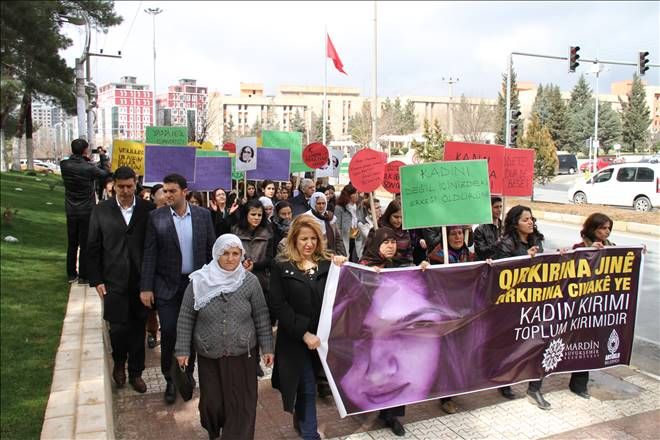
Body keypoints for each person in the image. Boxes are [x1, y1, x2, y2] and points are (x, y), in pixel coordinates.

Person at [331, 227, 429, 436]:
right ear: (375, 244)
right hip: (368, 335)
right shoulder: (362, 266)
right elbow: (349, 296)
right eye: (385, 242)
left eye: (393, 242)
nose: (391, 246)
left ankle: (392, 416)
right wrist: (344, 267)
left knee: (394, 379)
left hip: (394, 332)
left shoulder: (400, 265)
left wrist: (422, 267)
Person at [175, 234, 274, 439]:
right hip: (209, 353)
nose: (230, 258)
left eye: (235, 254)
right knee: (213, 402)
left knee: (241, 403)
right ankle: (215, 428)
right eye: (225, 253)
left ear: (241, 255)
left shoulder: (250, 281)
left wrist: (267, 347)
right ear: (216, 254)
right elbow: (186, 315)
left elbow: (262, 315)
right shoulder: (199, 281)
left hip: (242, 353)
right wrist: (183, 349)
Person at [140, 173, 216, 404]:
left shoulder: (203, 216)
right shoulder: (156, 217)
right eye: (165, 191)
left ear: (185, 192)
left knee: (192, 333)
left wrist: (216, 281)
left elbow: (212, 251)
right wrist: (146, 287)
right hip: (167, 287)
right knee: (171, 332)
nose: (167, 195)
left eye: (172, 191)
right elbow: (150, 253)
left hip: (196, 285)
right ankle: (170, 379)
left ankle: (186, 373)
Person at [269, 216, 347, 440]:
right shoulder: (281, 265)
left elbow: (350, 287)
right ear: (294, 239)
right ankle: (310, 435)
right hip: (296, 340)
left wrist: (341, 266)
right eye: (304, 238)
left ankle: (301, 421)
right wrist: (303, 333)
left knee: (307, 388)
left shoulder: (327, 263)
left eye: (314, 238)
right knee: (307, 388)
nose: (309, 243)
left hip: (322, 341)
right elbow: (278, 304)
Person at [87, 166, 154, 393]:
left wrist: (150, 281)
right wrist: (96, 279)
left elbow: (152, 246)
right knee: (117, 330)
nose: (125, 191)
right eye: (121, 186)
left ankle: (136, 373)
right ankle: (119, 364)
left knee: (137, 330)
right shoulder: (101, 211)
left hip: (140, 283)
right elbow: (92, 247)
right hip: (112, 282)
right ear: (113, 186)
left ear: (135, 184)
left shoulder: (147, 209)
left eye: (129, 186)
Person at [493, 204, 549, 410]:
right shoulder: (505, 244)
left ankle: (535, 387)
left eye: (532, 219)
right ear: (515, 223)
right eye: (526, 220)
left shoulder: (537, 240)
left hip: (536, 302)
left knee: (539, 343)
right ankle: (506, 382)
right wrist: (526, 258)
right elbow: (500, 273)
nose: (531, 222)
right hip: (513, 305)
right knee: (513, 346)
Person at [426, 225, 475, 414]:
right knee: (447, 354)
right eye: (453, 233)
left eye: (460, 233)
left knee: (461, 352)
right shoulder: (437, 256)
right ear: (445, 237)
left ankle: (456, 387)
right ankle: (445, 397)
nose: (457, 237)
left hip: (465, 310)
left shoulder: (468, 255)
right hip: (445, 312)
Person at [568, 212, 615, 400]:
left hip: (598, 304)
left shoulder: (611, 247)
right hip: (579, 304)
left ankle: (579, 384)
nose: (606, 232)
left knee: (589, 343)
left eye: (609, 228)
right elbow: (573, 271)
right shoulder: (579, 247)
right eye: (602, 228)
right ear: (592, 229)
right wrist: (590, 254)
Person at [60, 138, 111, 284]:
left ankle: (71, 274)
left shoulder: (64, 165)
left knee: (72, 243)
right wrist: (102, 155)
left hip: (71, 209)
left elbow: (72, 161)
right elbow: (105, 173)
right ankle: (83, 275)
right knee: (85, 243)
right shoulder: (88, 168)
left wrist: (85, 158)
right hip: (86, 210)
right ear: (85, 150)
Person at [231, 199, 275, 305]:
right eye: (253, 214)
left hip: (261, 281)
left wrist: (254, 266)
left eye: (259, 215)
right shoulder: (235, 231)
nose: (256, 218)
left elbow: (270, 258)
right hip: (238, 279)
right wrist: (242, 263)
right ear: (246, 214)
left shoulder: (268, 232)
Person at [302, 192, 346, 257]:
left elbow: (338, 238)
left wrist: (342, 255)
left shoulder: (330, 217)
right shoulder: (307, 217)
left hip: (330, 254)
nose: (321, 206)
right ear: (313, 203)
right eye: (318, 203)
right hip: (313, 254)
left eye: (323, 203)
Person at [334, 184, 366, 262]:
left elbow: (362, 221)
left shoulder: (359, 206)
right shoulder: (339, 208)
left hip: (357, 238)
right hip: (345, 239)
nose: (357, 195)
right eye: (354, 193)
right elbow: (337, 226)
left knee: (356, 259)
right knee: (346, 259)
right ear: (348, 195)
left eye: (357, 193)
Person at [473, 197, 503, 261]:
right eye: (496, 207)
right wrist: (497, 244)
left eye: (501, 206)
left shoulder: (504, 226)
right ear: (489, 208)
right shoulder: (480, 230)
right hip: (488, 266)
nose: (499, 210)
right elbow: (480, 251)